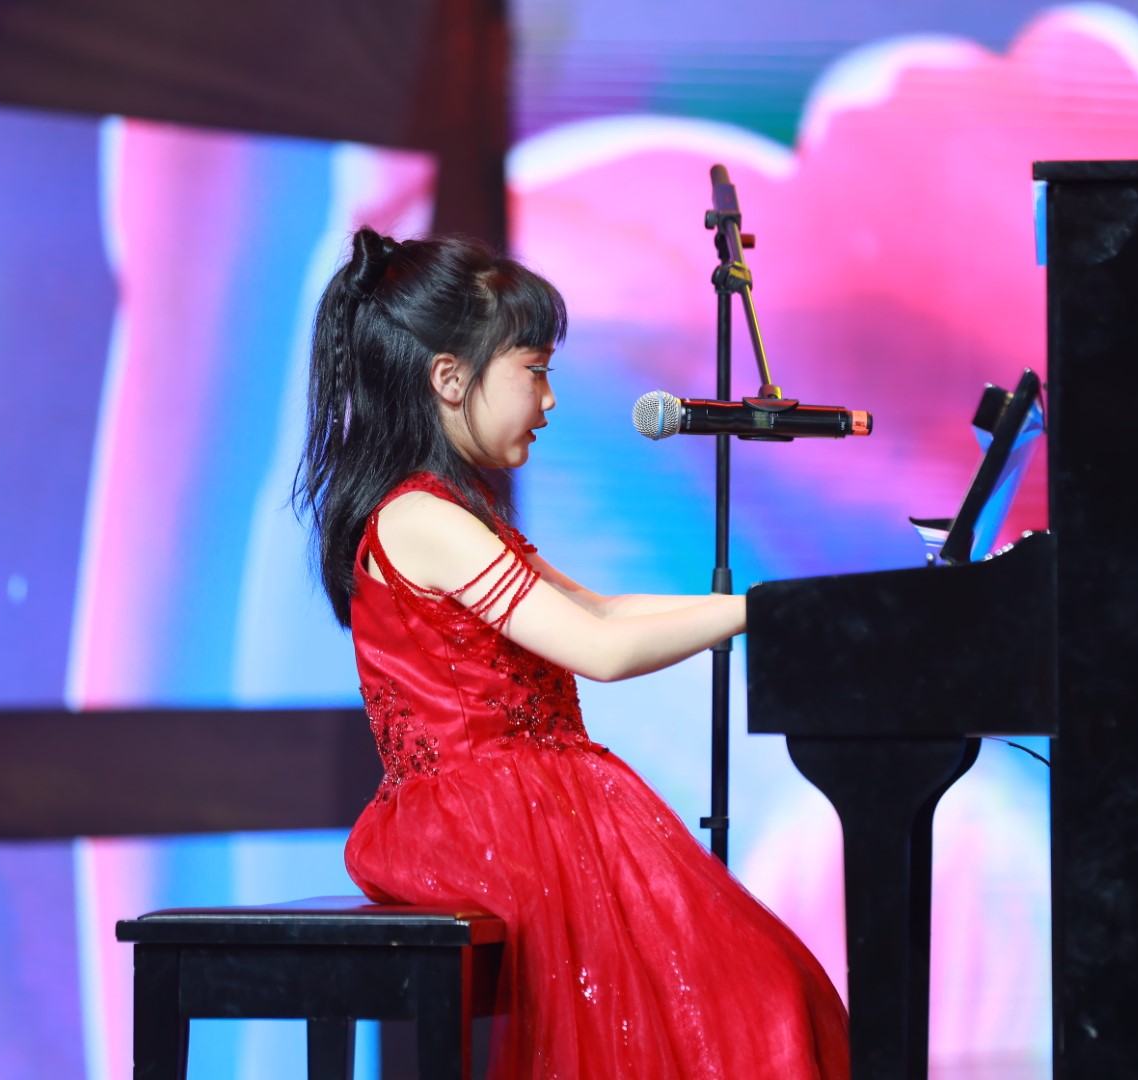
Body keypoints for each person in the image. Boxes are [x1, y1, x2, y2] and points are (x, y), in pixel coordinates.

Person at [295, 226, 850, 1078]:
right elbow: (599, 648)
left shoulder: (449, 511)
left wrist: (761, 607)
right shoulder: (419, 516)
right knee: (748, 990)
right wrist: (762, 611)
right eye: (535, 370)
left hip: (527, 803)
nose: (549, 399)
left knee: (763, 982)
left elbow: (596, 608)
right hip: (485, 819)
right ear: (449, 379)